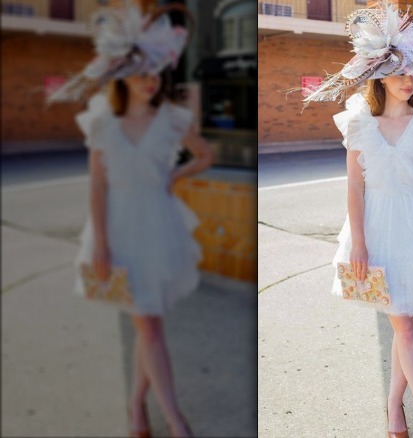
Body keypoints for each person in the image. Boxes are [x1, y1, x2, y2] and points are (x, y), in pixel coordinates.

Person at [302, 2, 413, 437]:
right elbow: (354, 187)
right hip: (375, 230)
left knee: (407, 322)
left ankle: (410, 413)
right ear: (379, 75)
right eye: (398, 71)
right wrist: (358, 242)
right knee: (406, 323)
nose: (408, 78)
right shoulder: (359, 123)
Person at [47, 4, 214, 437]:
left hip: (158, 227)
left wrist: (174, 175)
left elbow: (206, 155)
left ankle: (146, 408)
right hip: (117, 230)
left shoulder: (171, 119)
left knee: (149, 323)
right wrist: (100, 243)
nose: (150, 78)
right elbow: (97, 187)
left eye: (156, 70)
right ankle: (164, 415)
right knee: (148, 323)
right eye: (140, 70)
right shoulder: (103, 121)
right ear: (122, 73)